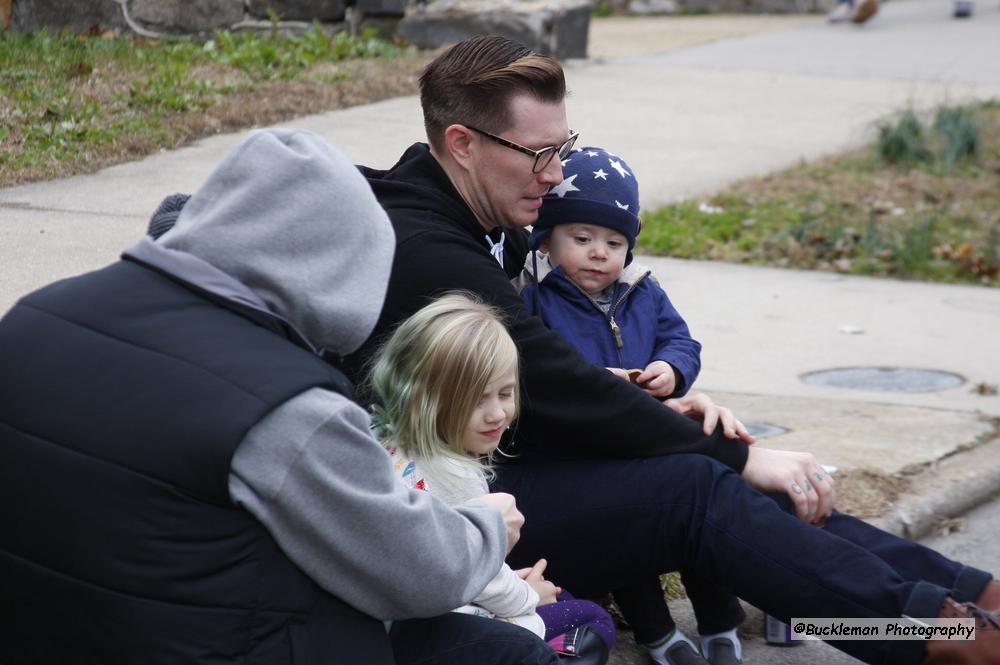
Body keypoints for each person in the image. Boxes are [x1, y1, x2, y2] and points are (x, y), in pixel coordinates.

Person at [342, 35, 1000, 665]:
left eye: (562, 146)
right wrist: (738, 456)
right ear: (462, 143)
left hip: (494, 463)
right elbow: (549, 376)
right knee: (701, 488)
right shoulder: (427, 247)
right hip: (452, 514)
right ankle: (941, 638)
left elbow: (544, 384)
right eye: (539, 153)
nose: (558, 171)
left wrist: (661, 409)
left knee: (740, 481)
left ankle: (967, 602)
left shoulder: (478, 215)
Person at [0, 128, 560, 665]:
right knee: (510, 651)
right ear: (340, 267)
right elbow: (416, 574)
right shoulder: (282, 406)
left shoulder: (36, 317)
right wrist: (483, 526)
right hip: (188, 646)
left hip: (41, 634)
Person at [515, 146, 744, 665]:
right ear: (547, 240)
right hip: (586, 443)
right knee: (627, 535)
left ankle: (720, 622)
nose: (599, 253)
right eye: (582, 238)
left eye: (614, 242)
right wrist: (595, 380)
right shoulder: (537, 299)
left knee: (699, 503)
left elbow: (681, 340)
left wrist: (672, 367)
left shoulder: (643, 291)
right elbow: (539, 370)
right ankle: (655, 631)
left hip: (651, 428)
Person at [368, 292, 617, 664]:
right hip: (437, 626)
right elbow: (479, 572)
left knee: (555, 595)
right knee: (591, 618)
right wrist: (525, 597)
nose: (497, 413)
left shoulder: (384, 444)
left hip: (403, 614)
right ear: (424, 399)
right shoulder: (454, 476)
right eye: (477, 400)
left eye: (506, 393)